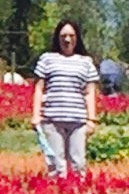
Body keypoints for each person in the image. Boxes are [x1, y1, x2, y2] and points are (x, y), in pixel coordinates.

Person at [31, 18, 99, 179]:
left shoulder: (86, 62)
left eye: (71, 36)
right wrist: (35, 116)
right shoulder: (47, 59)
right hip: (52, 120)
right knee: (56, 164)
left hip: (78, 120)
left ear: (77, 38)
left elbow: (90, 92)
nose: (67, 40)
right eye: (63, 36)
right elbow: (39, 88)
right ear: (57, 38)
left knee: (78, 163)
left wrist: (92, 119)